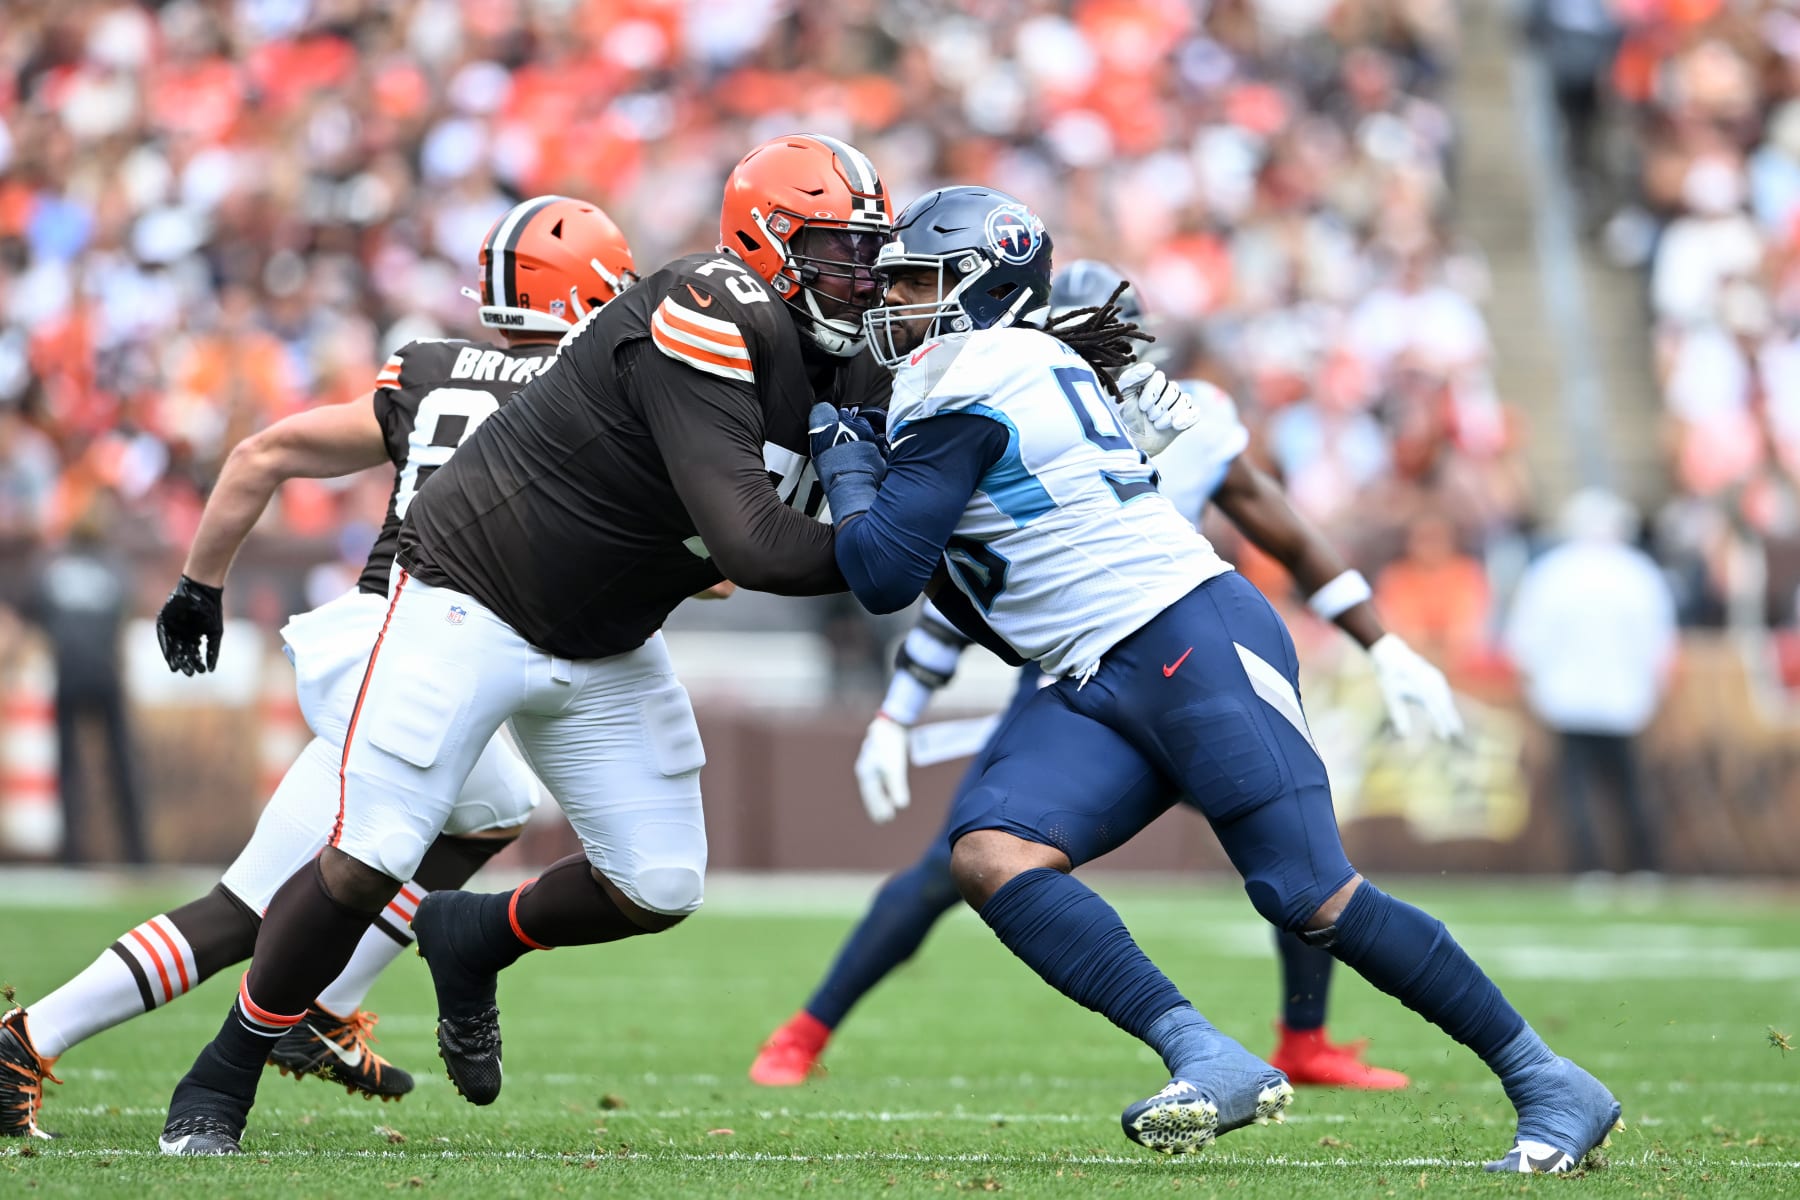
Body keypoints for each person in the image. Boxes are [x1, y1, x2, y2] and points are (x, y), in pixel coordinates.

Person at [805, 185, 1620, 1170]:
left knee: (1310, 895)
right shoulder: (1007, 362)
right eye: (894, 283)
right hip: (1094, 666)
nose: (898, 304)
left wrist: (847, 472)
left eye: (920, 282)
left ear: (985, 289)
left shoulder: (973, 376)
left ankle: (1548, 1080)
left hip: (1185, 635)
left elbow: (886, 573)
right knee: (992, 854)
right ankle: (1206, 1053)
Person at [156, 134, 895, 1156]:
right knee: (371, 854)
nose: (861, 278)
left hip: (603, 635)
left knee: (661, 882)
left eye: (869, 253)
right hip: (473, 594)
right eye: (835, 251)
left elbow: (858, 513)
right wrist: (918, 553)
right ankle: (223, 1071)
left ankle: (471, 938)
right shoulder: (706, 306)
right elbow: (757, 547)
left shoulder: (857, 356)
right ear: (764, 244)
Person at [0, 194, 638, 1139]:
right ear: (591, 296)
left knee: (495, 803)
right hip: (411, 660)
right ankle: (30, 1039)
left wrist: (197, 584)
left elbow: (265, 453)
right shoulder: (589, 409)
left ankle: (320, 1000)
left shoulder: (430, 371)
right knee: (250, 910)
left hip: (384, 643)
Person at [751, 262, 1461, 1091]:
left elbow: (1289, 537)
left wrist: (1385, 646)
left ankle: (1304, 1037)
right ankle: (806, 1028)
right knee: (968, 859)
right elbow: (969, 573)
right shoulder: (989, 394)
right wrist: (897, 710)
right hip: (1068, 664)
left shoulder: (1167, 411)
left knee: (1299, 862)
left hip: (1182, 646)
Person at [1502, 488, 1674, 873]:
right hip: (1625, 702)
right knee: (1628, 789)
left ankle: (1589, 868)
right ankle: (1643, 868)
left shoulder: (1551, 572)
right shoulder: (1639, 574)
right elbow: (1660, 643)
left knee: (1578, 791)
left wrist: (1537, 689)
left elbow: (1525, 642)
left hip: (1567, 700)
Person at [19, 491, 147, 867]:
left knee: (70, 766)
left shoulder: (51, 566)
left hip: (69, 673)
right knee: (121, 766)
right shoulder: (114, 568)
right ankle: (137, 854)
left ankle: (73, 855)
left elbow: (33, 614)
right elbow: (126, 616)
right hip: (106, 673)